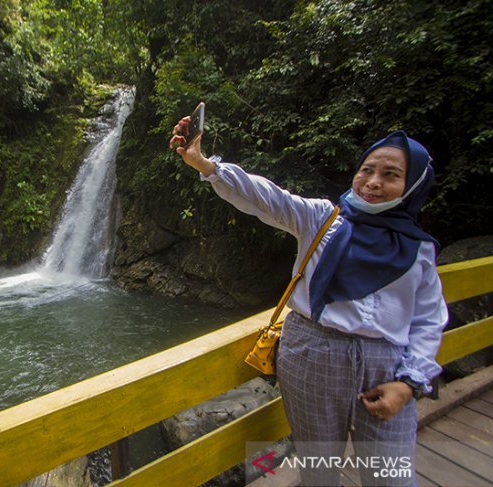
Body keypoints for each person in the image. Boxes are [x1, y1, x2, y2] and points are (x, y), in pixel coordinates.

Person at [171, 119, 447, 486]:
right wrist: (206, 165)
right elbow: (266, 197)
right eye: (366, 170)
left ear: (411, 186)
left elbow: (428, 320)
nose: (373, 181)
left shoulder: (420, 250)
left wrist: (410, 382)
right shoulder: (323, 219)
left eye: (391, 174)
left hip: (387, 365)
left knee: (391, 475)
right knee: (319, 470)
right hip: (311, 350)